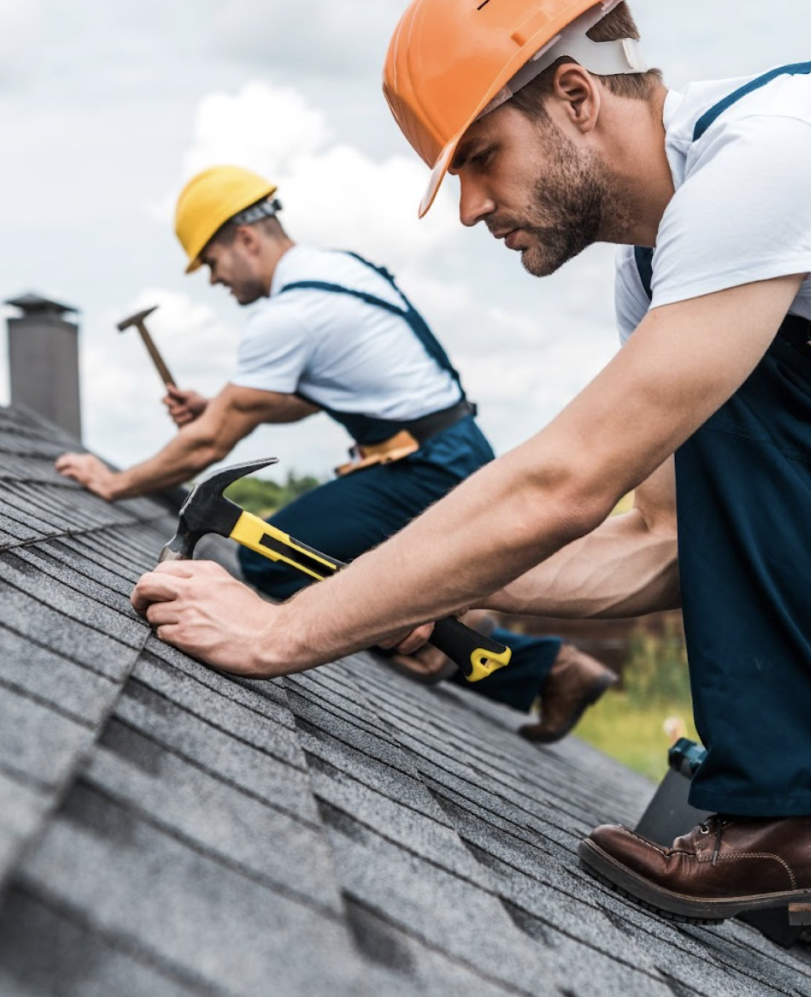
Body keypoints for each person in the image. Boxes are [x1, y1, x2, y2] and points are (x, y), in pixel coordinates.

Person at [129, 0, 811, 927]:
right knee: (754, 385)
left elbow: (563, 485)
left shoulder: (761, 168)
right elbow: (665, 544)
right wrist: (427, 592)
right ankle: (801, 814)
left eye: (481, 157)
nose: (467, 210)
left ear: (576, 98)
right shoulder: (673, 281)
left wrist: (288, 629)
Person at [56, 164, 617, 742]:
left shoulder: (290, 313)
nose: (214, 280)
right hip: (447, 452)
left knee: (268, 561)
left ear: (246, 239)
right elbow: (298, 400)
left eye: (213, 262)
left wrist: (115, 481)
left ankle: (478, 646)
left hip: (424, 468)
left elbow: (211, 441)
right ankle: (511, 654)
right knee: (353, 574)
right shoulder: (338, 272)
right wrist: (218, 405)